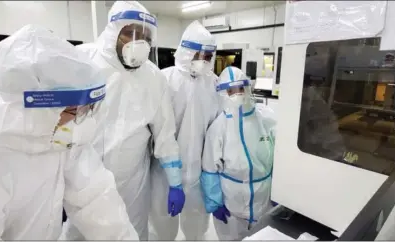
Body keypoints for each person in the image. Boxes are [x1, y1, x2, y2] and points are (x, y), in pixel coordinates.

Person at [0, 24, 138, 240]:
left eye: (87, 110)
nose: (79, 120)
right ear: (38, 109)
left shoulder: (61, 142)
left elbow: (97, 200)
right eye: (74, 110)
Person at [64, 1, 185, 240]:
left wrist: (176, 183)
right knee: (80, 234)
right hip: (83, 180)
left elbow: (165, 134)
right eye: (130, 32)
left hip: (132, 183)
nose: (139, 42)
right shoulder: (83, 61)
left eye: (146, 37)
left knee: (130, 233)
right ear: (113, 32)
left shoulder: (154, 78)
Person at [149, 20, 221, 240]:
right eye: (199, 55)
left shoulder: (214, 84)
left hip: (199, 172)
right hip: (163, 173)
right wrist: (173, 180)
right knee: (161, 226)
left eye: (208, 57)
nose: (204, 61)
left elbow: (219, 130)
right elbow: (160, 131)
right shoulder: (164, 79)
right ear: (186, 52)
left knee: (197, 227)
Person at [200, 66, 276, 240]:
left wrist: (281, 193)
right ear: (222, 93)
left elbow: (281, 159)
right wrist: (215, 202)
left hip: (264, 200)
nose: (237, 94)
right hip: (232, 206)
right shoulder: (218, 128)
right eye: (230, 90)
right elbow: (210, 169)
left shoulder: (266, 118)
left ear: (248, 88)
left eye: (241, 88)